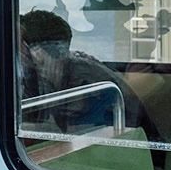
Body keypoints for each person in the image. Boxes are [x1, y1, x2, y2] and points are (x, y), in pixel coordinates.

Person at [19, 9, 160, 141]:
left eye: (21, 48)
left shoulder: (87, 83)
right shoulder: (44, 77)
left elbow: (73, 137)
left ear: (39, 53)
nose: (19, 57)